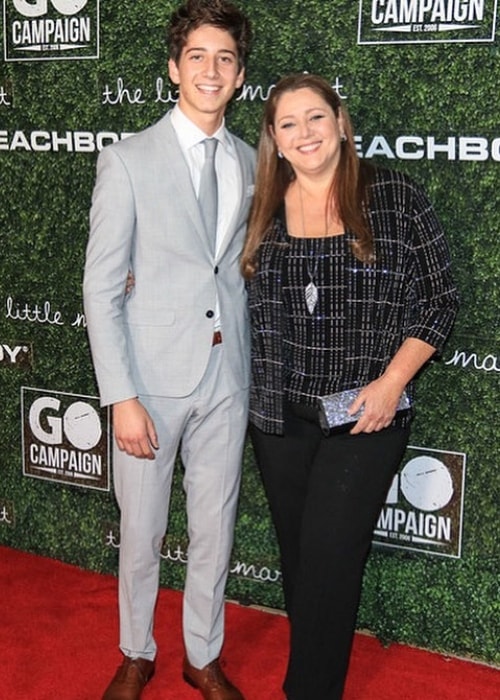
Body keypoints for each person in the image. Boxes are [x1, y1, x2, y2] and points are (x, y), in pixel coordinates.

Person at [240, 73, 459, 700]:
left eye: (315, 118)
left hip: (365, 415)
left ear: (340, 123)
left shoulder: (392, 195)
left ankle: (307, 691)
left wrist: (392, 384)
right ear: (275, 141)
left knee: (331, 562)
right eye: (288, 124)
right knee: (303, 565)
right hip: (279, 418)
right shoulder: (261, 206)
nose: (304, 133)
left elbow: (441, 300)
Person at [83, 2, 254, 699]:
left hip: (228, 377)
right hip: (149, 385)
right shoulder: (127, 160)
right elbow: (100, 286)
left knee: (214, 525)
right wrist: (121, 396)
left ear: (240, 76)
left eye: (224, 59)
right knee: (143, 528)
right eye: (197, 57)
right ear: (173, 68)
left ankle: (202, 655)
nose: (210, 71)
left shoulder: (252, 160)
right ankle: (136, 650)